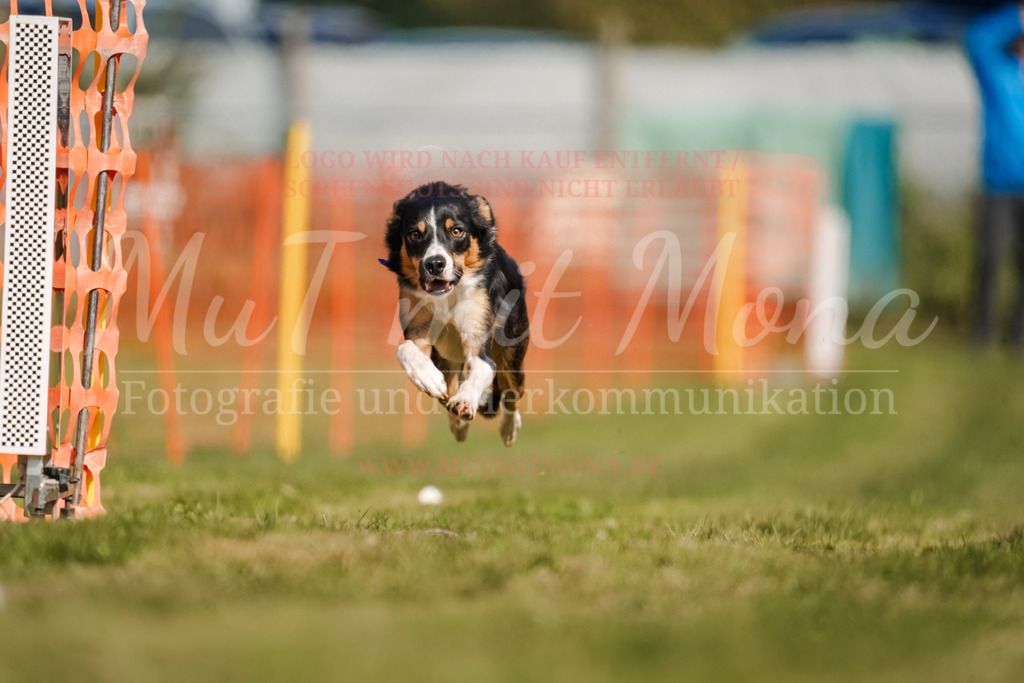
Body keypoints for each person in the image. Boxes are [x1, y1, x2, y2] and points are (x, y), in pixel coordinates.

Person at [966, 4, 1024, 346]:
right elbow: (976, 39)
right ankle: (982, 337)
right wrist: (1016, 16)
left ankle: (1018, 338)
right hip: (999, 182)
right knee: (990, 258)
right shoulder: (998, 70)